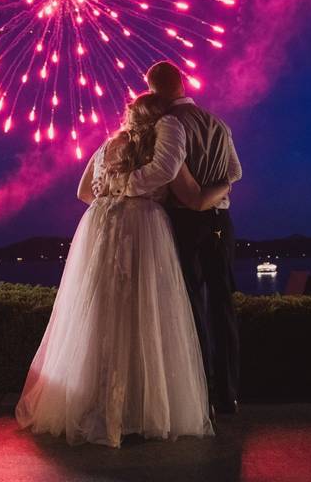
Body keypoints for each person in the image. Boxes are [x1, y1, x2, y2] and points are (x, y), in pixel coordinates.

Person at [16, 93, 230, 447]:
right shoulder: (161, 148)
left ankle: (95, 402)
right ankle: (137, 407)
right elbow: (189, 196)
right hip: (143, 227)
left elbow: (84, 190)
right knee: (143, 314)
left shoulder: (107, 145)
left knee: (100, 312)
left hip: (101, 224)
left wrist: (110, 198)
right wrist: (220, 186)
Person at [127, 61, 243, 415]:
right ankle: (228, 393)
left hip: (187, 221)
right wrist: (219, 193)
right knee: (222, 304)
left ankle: (201, 392)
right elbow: (236, 171)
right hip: (221, 220)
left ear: (153, 87)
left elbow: (172, 172)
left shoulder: (169, 124)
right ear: (183, 82)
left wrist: (197, 199)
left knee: (190, 305)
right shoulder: (219, 123)